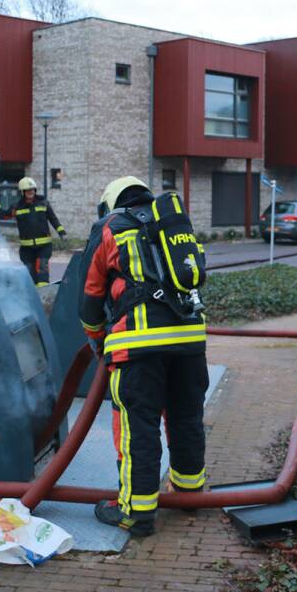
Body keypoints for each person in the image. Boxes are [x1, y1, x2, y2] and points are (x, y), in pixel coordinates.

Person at [80, 176, 208, 537]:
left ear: (110, 203)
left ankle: (136, 514)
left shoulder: (110, 228)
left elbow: (90, 296)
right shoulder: (170, 224)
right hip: (190, 341)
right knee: (186, 419)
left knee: (139, 427)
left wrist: (95, 337)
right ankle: (188, 494)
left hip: (139, 346)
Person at [0, 177, 65, 287]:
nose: (30, 192)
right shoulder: (17, 207)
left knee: (42, 271)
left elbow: (53, 219)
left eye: (32, 190)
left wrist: (62, 233)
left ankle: (43, 296)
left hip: (44, 246)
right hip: (26, 250)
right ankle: (32, 298)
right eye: (28, 190)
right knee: (29, 276)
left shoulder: (43, 203)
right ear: (22, 192)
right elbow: (4, 215)